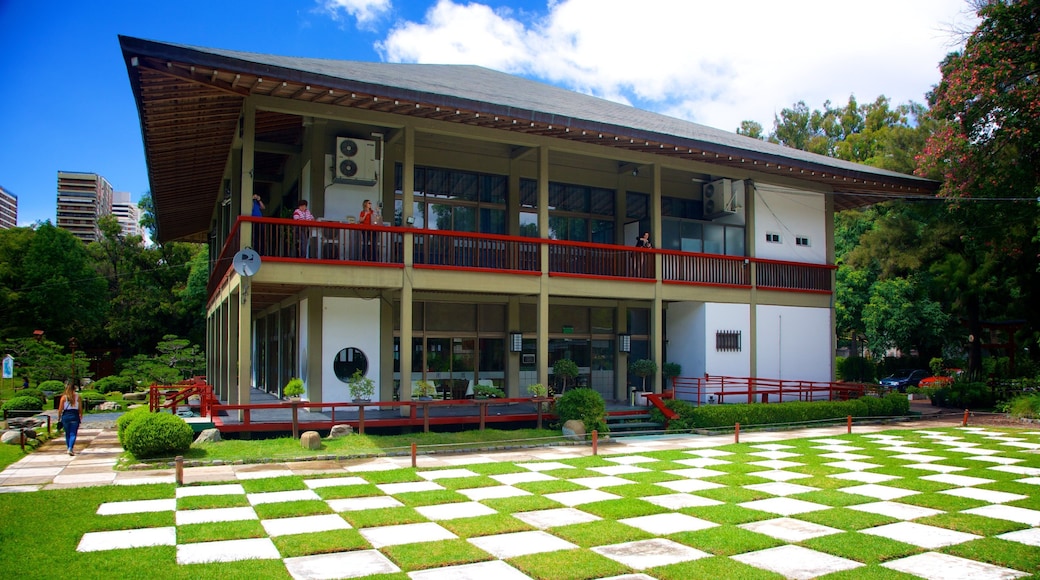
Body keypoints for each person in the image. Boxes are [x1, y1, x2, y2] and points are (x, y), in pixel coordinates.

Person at [57, 381, 83, 456]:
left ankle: (69, 447)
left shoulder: (64, 397)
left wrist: (59, 417)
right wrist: (81, 415)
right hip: (75, 415)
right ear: (74, 388)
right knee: (73, 433)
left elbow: (60, 409)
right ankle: (70, 448)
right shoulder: (78, 397)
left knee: (67, 433)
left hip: (66, 415)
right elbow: (80, 408)